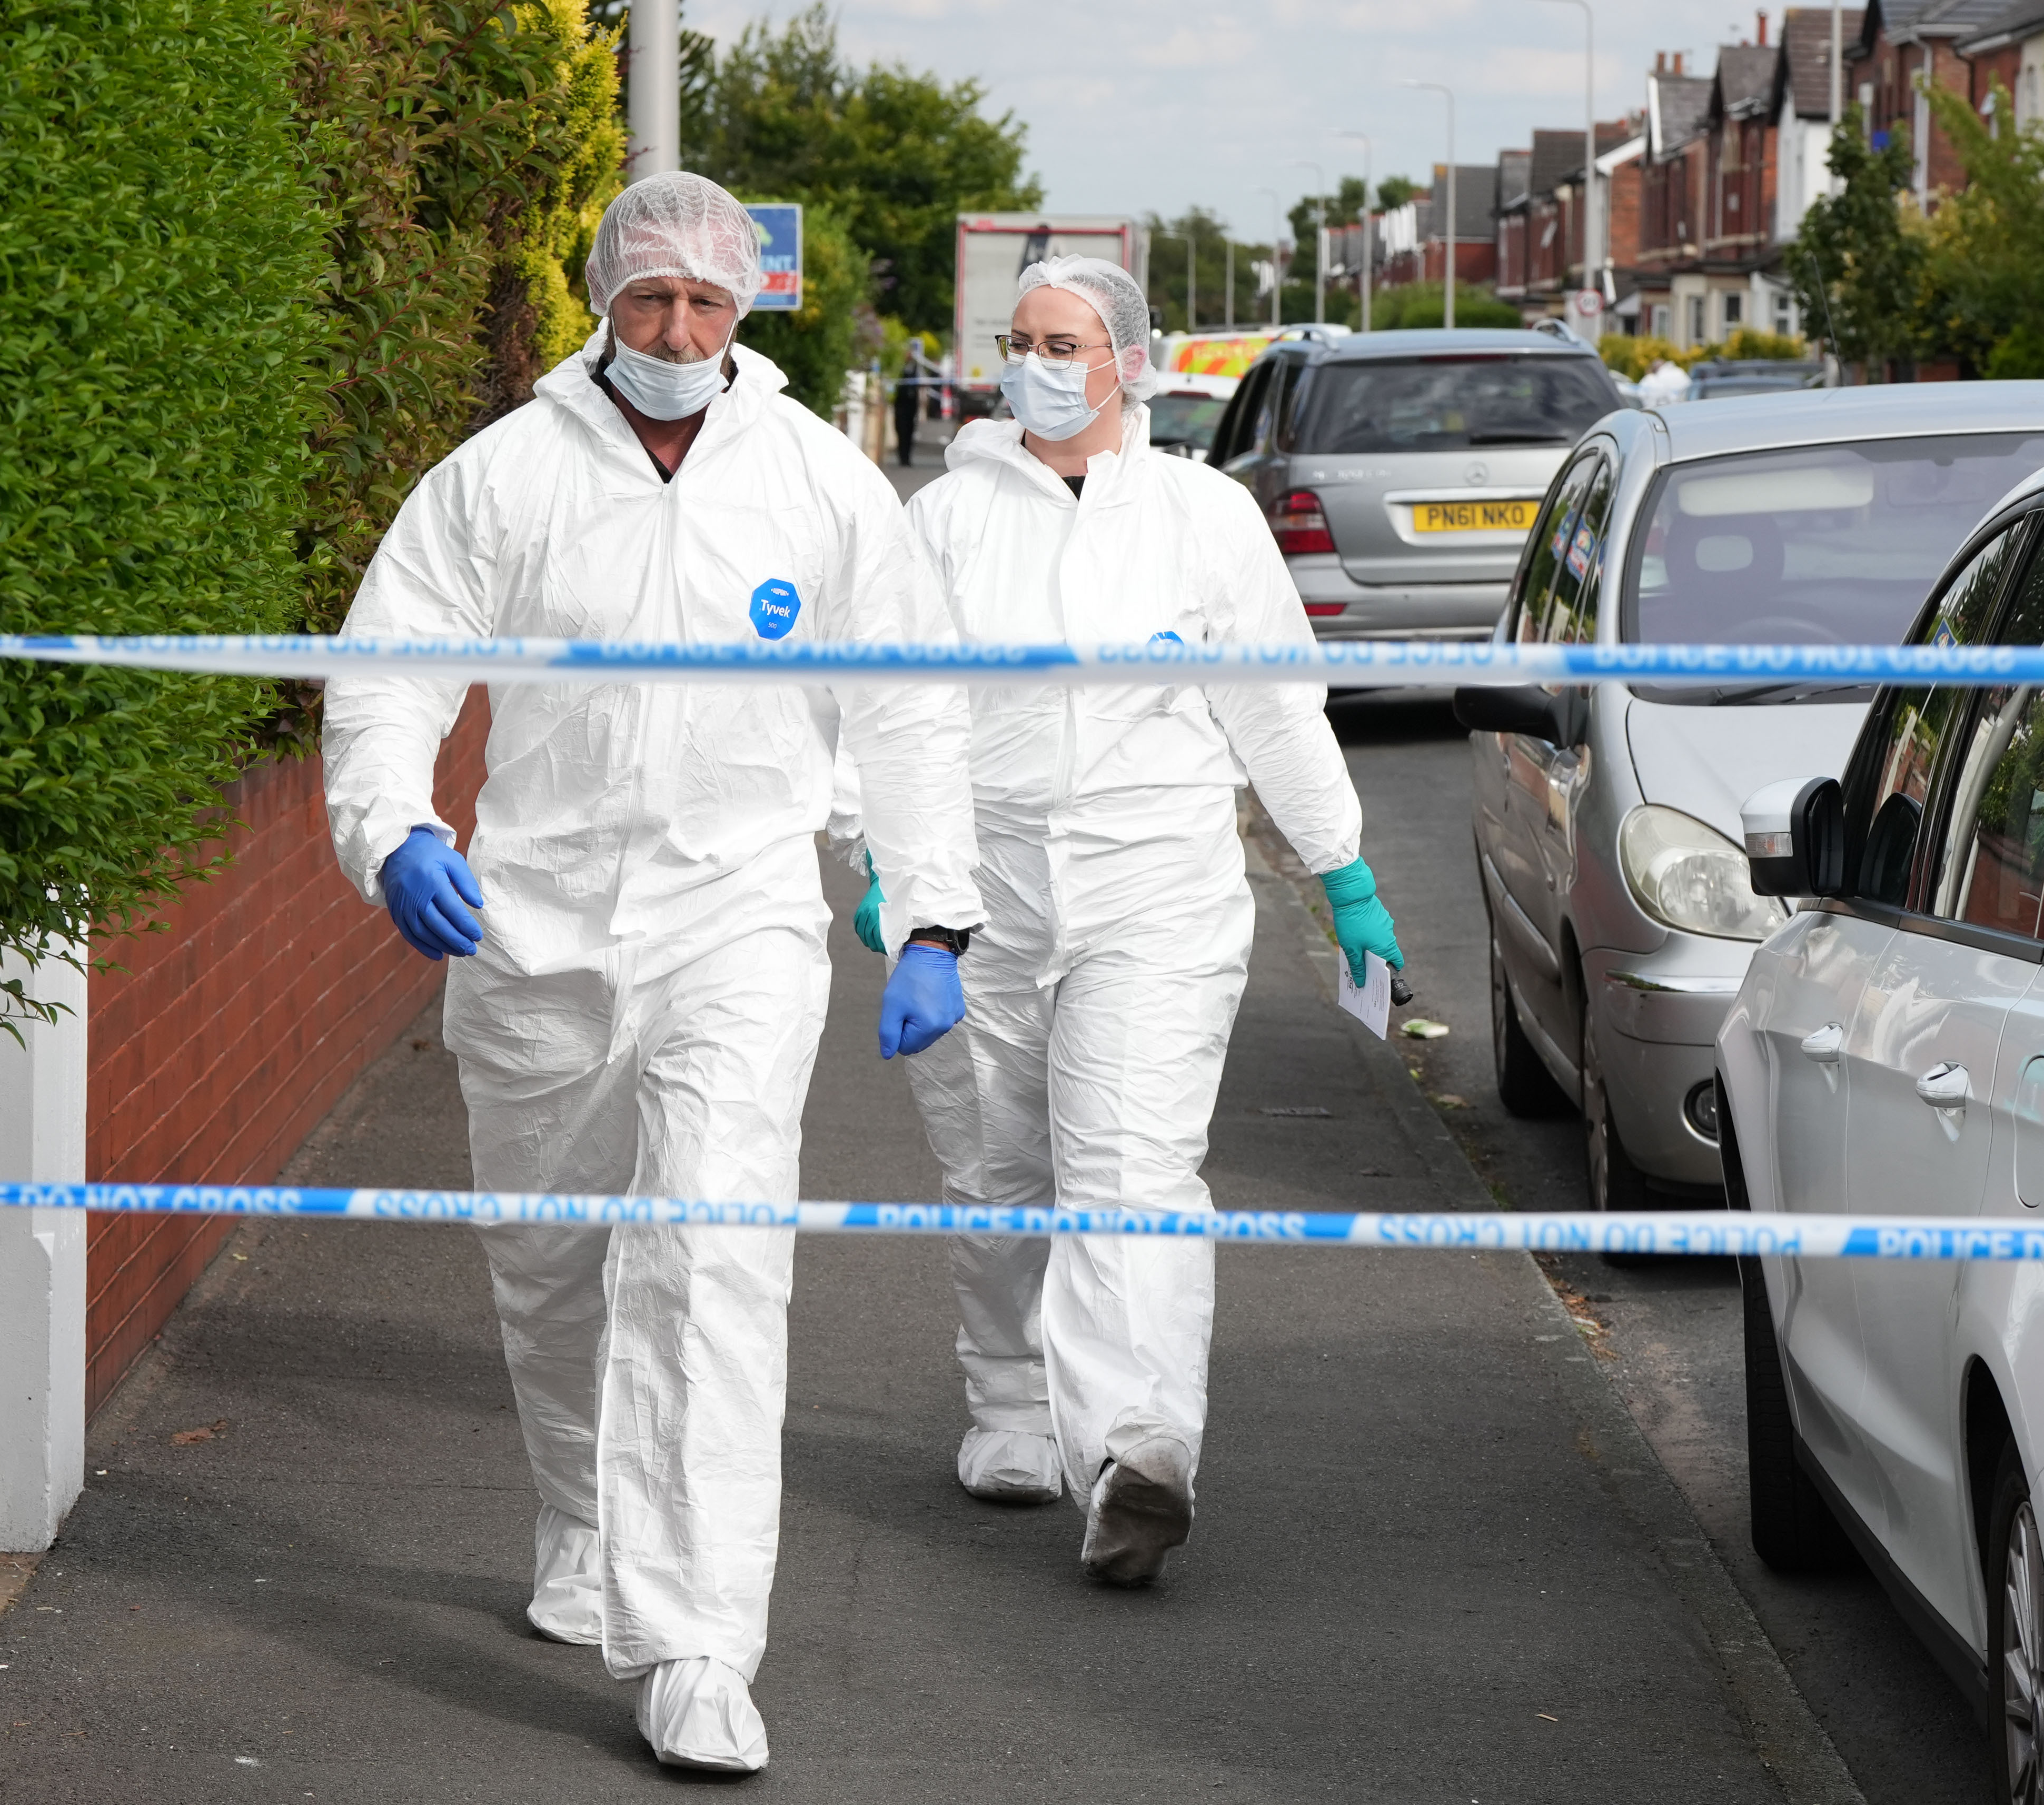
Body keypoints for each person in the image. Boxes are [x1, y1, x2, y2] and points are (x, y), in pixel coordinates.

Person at [319, 171, 984, 1774]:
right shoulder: (497, 482)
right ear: (600, 300)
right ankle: (581, 1530)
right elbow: (386, 676)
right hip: (530, 924)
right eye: (648, 301)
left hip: (737, 923)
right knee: (551, 1271)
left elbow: (905, 713)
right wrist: (395, 832)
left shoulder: (823, 488)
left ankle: (695, 1643)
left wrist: (934, 913)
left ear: (746, 306)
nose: (676, 331)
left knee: (706, 1261)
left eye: (704, 303)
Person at [889, 254, 1403, 1587]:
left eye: (1061, 340)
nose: (1033, 362)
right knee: (999, 1169)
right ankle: (1007, 1401)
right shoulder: (946, 518)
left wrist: (1337, 867)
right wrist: (893, 870)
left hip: (1154, 887)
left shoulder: (1201, 514)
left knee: (1127, 1168)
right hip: (982, 894)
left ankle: (1137, 1446)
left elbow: (1275, 706)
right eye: (1017, 340)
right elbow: (887, 706)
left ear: (1129, 359)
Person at [894, 336, 928, 467]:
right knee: (901, 431)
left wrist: (922, 407)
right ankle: (902, 458)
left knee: (909, 432)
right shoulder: (899, 368)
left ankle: (907, 458)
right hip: (900, 405)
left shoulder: (917, 368)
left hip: (911, 405)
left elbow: (923, 385)